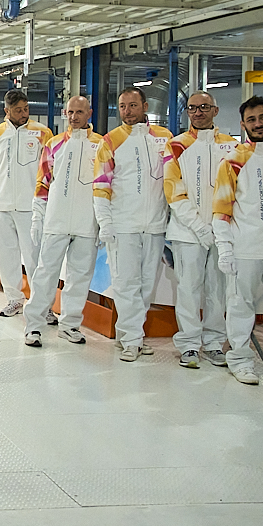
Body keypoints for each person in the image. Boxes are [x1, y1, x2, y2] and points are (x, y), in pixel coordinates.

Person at [213, 96, 263, 386]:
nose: (258, 124)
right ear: (243, 124)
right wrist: (225, 248)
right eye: (251, 120)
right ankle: (240, 360)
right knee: (239, 305)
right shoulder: (233, 161)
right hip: (245, 247)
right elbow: (221, 209)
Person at [93, 87, 173, 362]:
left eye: (132, 105)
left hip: (154, 225)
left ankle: (132, 333)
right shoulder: (110, 141)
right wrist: (105, 223)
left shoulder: (164, 139)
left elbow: (172, 181)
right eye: (122, 106)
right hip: (123, 224)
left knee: (146, 286)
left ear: (145, 106)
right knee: (126, 283)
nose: (127, 111)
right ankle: (130, 339)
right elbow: (101, 185)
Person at [163, 91, 238, 369]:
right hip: (187, 233)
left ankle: (215, 343)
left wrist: (220, 227)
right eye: (193, 108)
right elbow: (173, 191)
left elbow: (235, 191)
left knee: (217, 290)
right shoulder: (176, 146)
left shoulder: (232, 148)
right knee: (189, 288)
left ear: (215, 111)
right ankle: (190, 344)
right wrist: (198, 227)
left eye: (204, 107)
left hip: (221, 232)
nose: (198, 112)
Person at [23, 96, 103, 347]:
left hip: (86, 222)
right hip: (56, 221)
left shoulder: (102, 145)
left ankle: (70, 325)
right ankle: (33, 325)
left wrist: (102, 222)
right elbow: (42, 182)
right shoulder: (54, 144)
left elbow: (106, 185)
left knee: (80, 277)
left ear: (89, 112)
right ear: (64, 113)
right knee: (45, 274)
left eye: (80, 111)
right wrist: (38, 217)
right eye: (70, 112)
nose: (74, 116)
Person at [0, 89, 53, 318]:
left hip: (30, 206)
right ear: (7, 111)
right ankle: (14, 299)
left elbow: (49, 169)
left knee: (34, 256)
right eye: (18, 110)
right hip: (2, 204)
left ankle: (41, 304)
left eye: (26, 109)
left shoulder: (42, 133)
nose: (23, 114)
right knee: (7, 255)